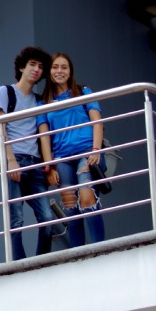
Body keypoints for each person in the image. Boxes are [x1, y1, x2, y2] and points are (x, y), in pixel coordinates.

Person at [37, 53, 105, 247]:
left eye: (64, 67)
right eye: (55, 67)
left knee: (87, 197)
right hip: (61, 158)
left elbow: (97, 121)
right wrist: (49, 167)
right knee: (70, 206)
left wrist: (96, 149)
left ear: (70, 71)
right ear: (49, 72)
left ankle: (100, 247)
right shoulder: (43, 104)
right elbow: (44, 137)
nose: (60, 71)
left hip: (86, 152)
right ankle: (78, 253)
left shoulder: (83, 91)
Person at [0, 46, 55, 260]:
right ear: (22, 67)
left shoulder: (39, 100)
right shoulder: (6, 91)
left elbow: (44, 133)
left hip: (36, 164)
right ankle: (19, 265)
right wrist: (11, 160)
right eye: (32, 65)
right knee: (16, 219)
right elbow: (0, 126)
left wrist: (49, 164)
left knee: (47, 219)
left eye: (40, 67)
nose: (36, 70)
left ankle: (40, 262)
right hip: (16, 160)